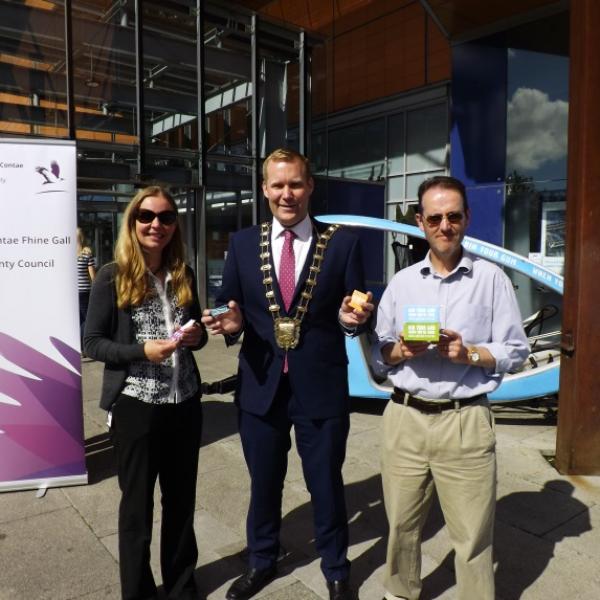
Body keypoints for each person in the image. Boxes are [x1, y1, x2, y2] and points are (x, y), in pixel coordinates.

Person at [201, 148, 374, 600]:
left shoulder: (343, 243)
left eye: (295, 184)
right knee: (264, 481)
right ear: (264, 190)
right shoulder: (242, 243)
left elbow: (357, 309)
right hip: (260, 385)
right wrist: (228, 322)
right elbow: (227, 301)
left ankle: (337, 567)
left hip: (320, 385)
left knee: (326, 482)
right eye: (277, 185)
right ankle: (261, 559)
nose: (287, 194)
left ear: (310, 186)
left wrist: (353, 319)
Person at [371, 175, 529, 600]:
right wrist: (400, 351)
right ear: (420, 222)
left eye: (453, 216)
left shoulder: (491, 279)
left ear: (466, 219)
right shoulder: (402, 283)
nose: (445, 225)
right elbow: (379, 356)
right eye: (435, 217)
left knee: (473, 536)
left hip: (465, 421)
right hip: (404, 419)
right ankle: (399, 592)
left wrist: (470, 353)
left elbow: (517, 349)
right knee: (401, 525)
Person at [84, 185, 208, 600]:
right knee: (137, 511)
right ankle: (137, 592)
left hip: (184, 404)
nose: (157, 224)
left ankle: (181, 587)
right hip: (136, 407)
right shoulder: (111, 275)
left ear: (176, 225)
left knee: (181, 506)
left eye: (167, 217)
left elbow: (198, 331)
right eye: (147, 216)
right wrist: (142, 351)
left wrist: (197, 336)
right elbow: (93, 342)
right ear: (133, 222)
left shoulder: (182, 273)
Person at [76, 227, 96, 350]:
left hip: (72, 293)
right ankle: (82, 345)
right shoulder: (86, 253)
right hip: (84, 291)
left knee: (78, 319)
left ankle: (79, 345)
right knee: (86, 319)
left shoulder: (66, 254)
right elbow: (93, 275)